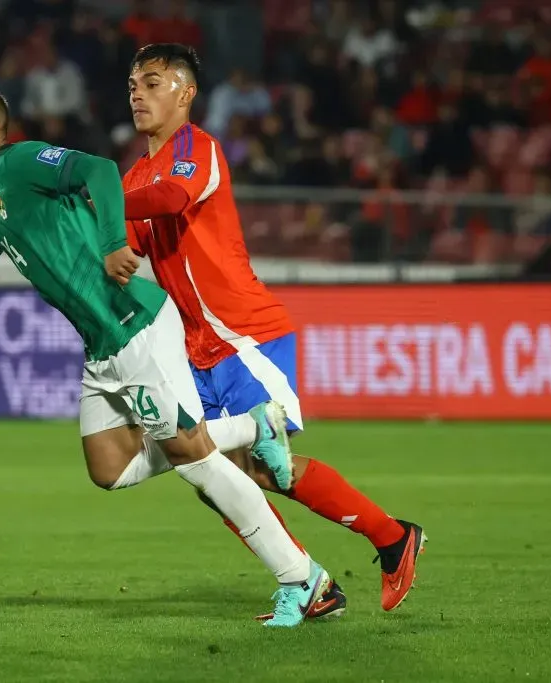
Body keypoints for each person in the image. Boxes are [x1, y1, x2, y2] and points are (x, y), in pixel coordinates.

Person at [0, 85, 333, 627]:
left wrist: (112, 242)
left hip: (137, 325)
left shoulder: (18, 163)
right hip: (103, 347)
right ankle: (252, 427)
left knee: (195, 462)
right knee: (110, 467)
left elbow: (101, 170)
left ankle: (303, 579)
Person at [121, 44, 426, 614]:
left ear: (185, 93)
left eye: (153, 82)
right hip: (196, 349)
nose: (138, 92)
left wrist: (93, 194)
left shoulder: (197, 150)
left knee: (263, 468)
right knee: (216, 478)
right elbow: (123, 251)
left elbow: (170, 197)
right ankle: (309, 580)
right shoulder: (135, 175)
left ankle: (390, 539)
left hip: (242, 333)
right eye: (133, 83)